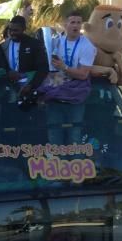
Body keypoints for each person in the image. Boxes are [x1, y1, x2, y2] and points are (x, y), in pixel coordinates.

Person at [38, 9, 98, 143]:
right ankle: (58, 162)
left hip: (75, 97)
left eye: (78, 22)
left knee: (74, 136)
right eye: (72, 22)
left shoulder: (87, 46)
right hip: (55, 96)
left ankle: (74, 163)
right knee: (54, 135)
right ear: (66, 24)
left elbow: (83, 75)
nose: (76, 26)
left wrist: (64, 67)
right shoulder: (56, 41)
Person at [1, 15, 49, 100]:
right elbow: (0, 66)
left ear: (23, 29)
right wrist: (8, 72)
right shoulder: (3, 46)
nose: (12, 33)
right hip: (8, 89)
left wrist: (32, 85)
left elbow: (43, 68)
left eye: (16, 30)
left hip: (28, 89)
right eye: (10, 30)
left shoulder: (35, 44)